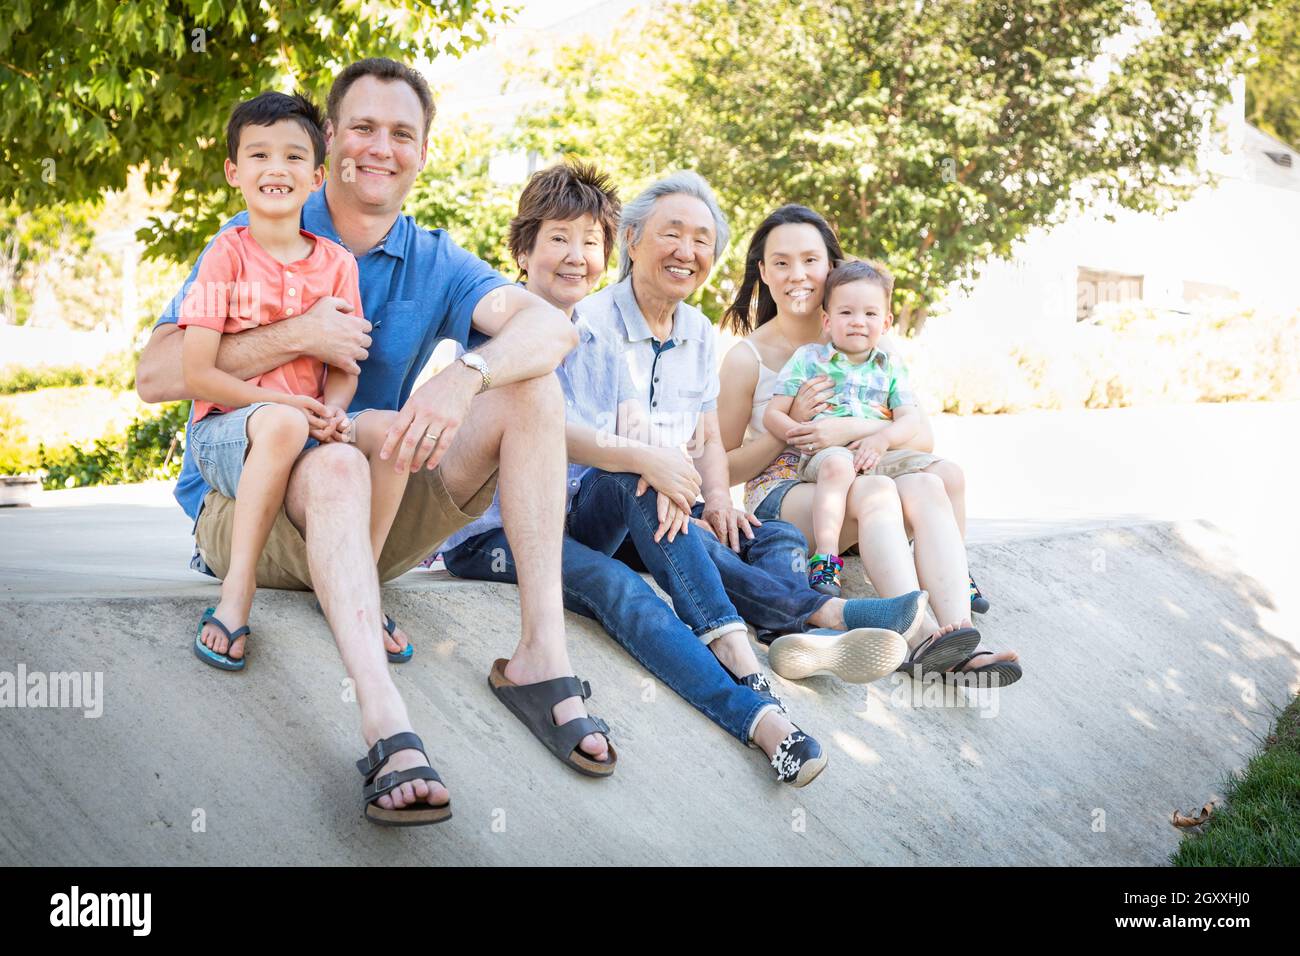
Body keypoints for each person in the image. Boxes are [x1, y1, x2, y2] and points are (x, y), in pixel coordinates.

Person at [136, 58, 612, 827]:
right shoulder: (257, 229)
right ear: (330, 138)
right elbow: (157, 376)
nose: (380, 148)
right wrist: (295, 335)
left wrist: (464, 376)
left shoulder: (434, 258)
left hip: (376, 512)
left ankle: (539, 660)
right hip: (258, 511)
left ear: (424, 151)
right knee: (335, 466)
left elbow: (552, 326)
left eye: (401, 133)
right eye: (362, 127)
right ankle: (387, 728)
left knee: (530, 388)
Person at [447, 166, 849, 786]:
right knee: (620, 584)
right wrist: (647, 461)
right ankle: (759, 715)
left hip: (571, 515)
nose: (575, 256)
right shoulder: (498, 323)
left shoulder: (596, 337)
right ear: (523, 248)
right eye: (557, 238)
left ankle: (739, 654)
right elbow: (563, 432)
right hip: (495, 535)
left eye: (588, 242)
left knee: (642, 482)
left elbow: (631, 426)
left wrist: (660, 471)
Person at [718, 204, 1021, 687]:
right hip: (786, 489)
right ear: (763, 272)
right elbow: (723, 469)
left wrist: (849, 429)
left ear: (832, 267)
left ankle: (959, 630)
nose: (797, 274)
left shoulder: (869, 339)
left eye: (810, 260)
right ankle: (921, 638)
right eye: (781, 262)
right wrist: (787, 427)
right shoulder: (747, 357)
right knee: (876, 493)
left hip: (859, 470)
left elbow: (920, 435)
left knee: (928, 481)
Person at [181, 91, 412, 673]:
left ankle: (365, 582)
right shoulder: (224, 255)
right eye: (258, 156)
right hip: (227, 433)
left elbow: (344, 368)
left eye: (291, 158)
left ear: (316, 175)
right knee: (283, 420)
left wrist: (334, 410)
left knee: (389, 432)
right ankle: (236, 595)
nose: (275, 169)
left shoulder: (337, 264)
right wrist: (284, 403)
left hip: (303, 422)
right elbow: (196, 371)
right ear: (234, 172)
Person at [763, 259, 940, 598]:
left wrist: (882, 438)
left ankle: (958, 573)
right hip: (826, 454)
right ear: (827, 321)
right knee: (837, 464)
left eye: (870, 314)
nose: (859, 322)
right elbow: (774, 414)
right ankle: (826, 557)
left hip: (875, 450)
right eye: (846, 313)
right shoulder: (808, 359)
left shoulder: (889, 366)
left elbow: (910, 419)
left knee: (945, 475)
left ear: (886, 322)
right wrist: (795, 432)